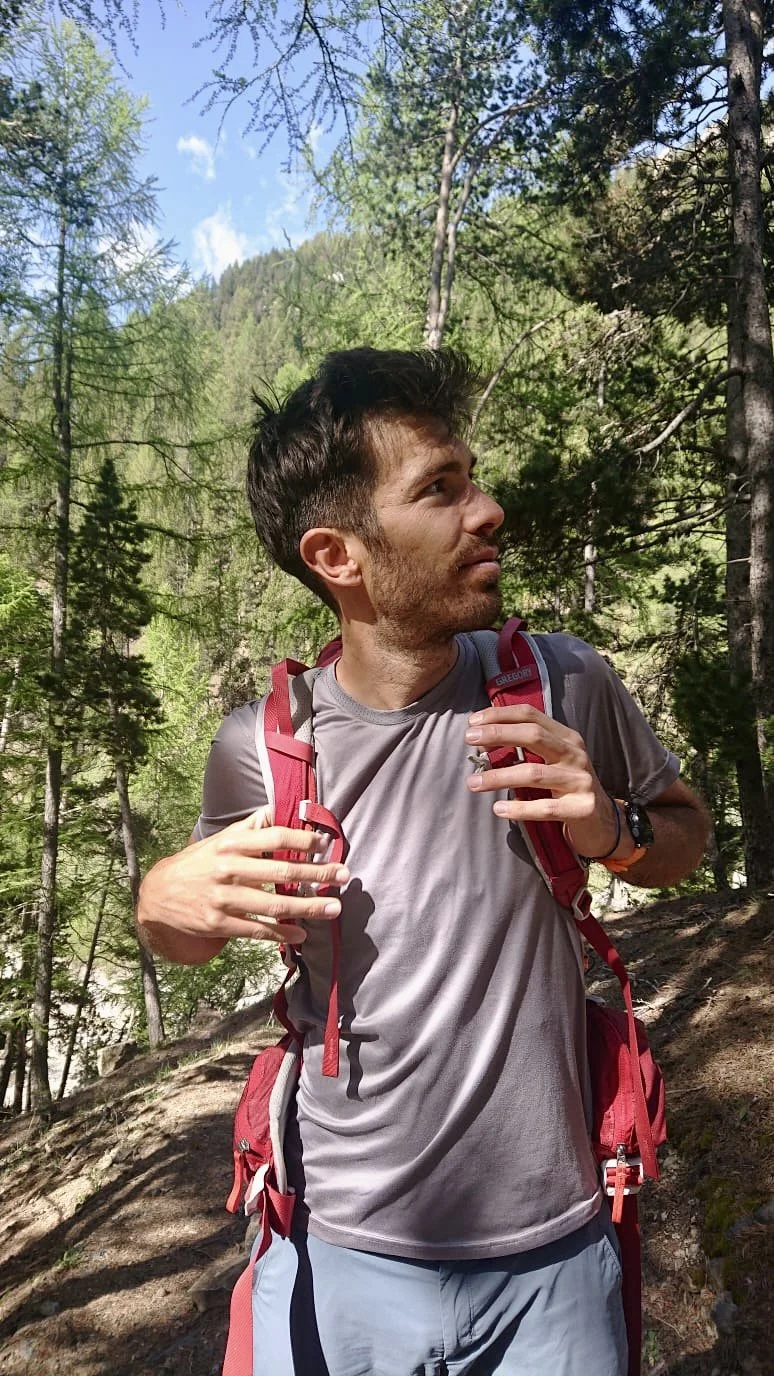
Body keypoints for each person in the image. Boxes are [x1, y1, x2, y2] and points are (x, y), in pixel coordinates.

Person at [138, 348, 708, 1376]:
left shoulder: (562, 684)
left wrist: (610, 831)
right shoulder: (264, 750)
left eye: (472, 477)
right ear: (338, 555)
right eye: (440, 489)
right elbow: (188, 935)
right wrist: (156, 904)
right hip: (341, 1253)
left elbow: (684, 834)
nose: (486, 509)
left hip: (556, 1256)